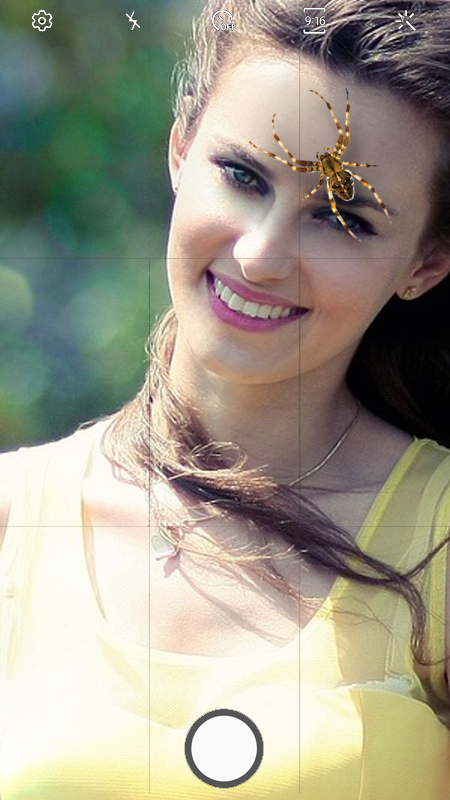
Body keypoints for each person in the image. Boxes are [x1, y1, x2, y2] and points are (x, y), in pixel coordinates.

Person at [1, 0, 450, 797]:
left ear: (425, 264)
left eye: (342, 219)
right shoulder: (13, 521)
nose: (261, 254)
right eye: (243, 177)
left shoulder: (438, 541)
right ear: (180, 150)